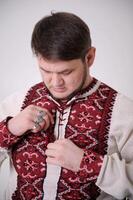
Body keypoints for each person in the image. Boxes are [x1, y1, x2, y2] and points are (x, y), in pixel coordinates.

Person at [0, 12, 133, 200]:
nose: (55, 82)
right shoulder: (16, 103)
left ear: (89, 57)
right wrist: (10, 129)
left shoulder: (123, 112)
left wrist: (89, 164)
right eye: (45, 70)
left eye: (66, 72)